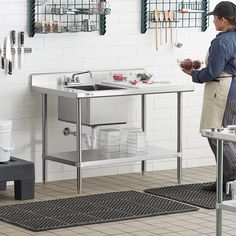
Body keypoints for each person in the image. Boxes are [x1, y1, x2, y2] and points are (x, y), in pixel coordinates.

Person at [181, 1, 236, 191]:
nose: (213, 21)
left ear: (223, 19)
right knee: (228, 134)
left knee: (217, 135)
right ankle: (223, 181)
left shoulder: (222, 41)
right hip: (233, 91)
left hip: (223, 92)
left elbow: (212, 73)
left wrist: (193, 73)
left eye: (214, 18)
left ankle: (232, 176)